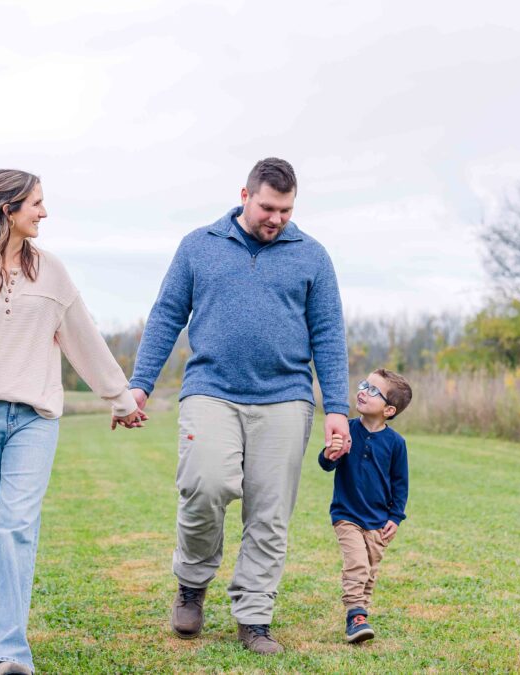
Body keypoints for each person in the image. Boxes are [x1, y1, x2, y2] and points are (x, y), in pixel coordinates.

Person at [0, 169, 145, 675]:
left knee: (15, 528)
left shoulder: (52, 272)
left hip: (35, 418)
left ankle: (8, 654)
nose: (44, 212)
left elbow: (83, 337)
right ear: (7, 210)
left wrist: (121, 398)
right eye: (36, 203)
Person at [128, 157, 351, 655]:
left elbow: (330, 334)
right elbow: (166, 316)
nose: (276, 218)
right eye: (268, 207)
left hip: (286, 397)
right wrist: (140, 383)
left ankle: (254, 616)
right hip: (211, 389)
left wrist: (337, 406)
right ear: (245, 195)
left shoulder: (312, 256)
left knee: (269, 512)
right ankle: (191, 584)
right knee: (204, 486)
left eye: (286, 211)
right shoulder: (198, 246)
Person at [318, 368, 411, 644]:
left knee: (370, 569)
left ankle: (361, 613)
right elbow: (326, 464)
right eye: (363, 385)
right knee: (357, 563)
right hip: (346, 514)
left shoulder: (396, 443)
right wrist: (330, 452)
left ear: (389, 409)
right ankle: (354, 613)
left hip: (379, 520)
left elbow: (400, 483)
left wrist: (395, 516)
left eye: (373, 390)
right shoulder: (347, 429)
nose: (362, 391)